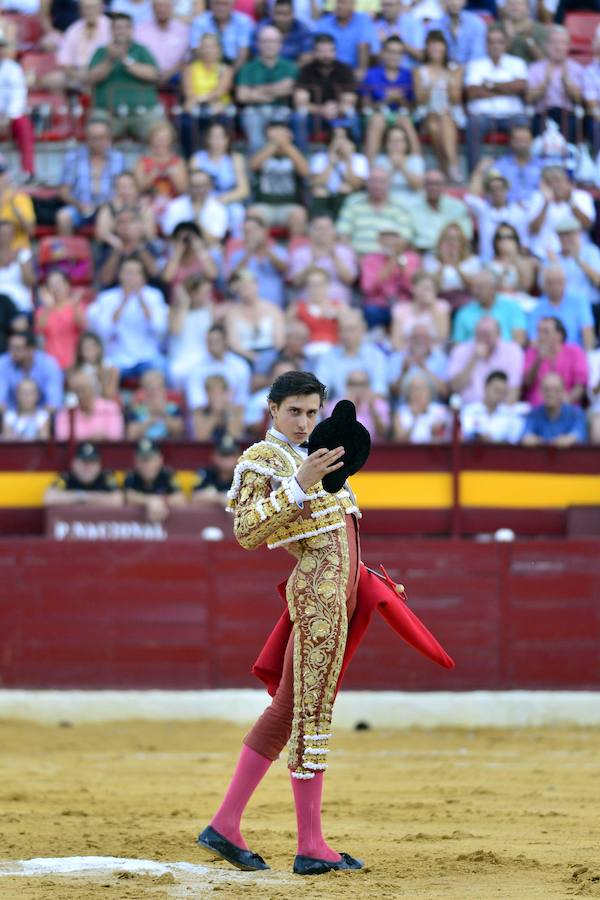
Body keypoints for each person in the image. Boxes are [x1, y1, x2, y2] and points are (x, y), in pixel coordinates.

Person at [195, 371, 366, 875]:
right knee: (311, 715)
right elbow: (246, 530)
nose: (304, 422)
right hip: (316, 597)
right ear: (272, 409)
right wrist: (298, 483)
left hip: (335, 598)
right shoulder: (263, 459)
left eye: (313, 412)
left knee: (287, 710)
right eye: (294, 411)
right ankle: (311, 844)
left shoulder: (320, 454)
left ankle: (224, 825)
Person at [87, 12, 164, 141]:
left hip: (144, 113)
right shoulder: (102, 51)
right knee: (97, 134)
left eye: (125, 27)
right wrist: (109, 61)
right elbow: (90, 78)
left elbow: (154, 74)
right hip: (108, 114)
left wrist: (125, 60)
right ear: (111, 30)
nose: (121, 31)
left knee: (161, 134)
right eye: (117, 28)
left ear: (131, 30)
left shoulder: (141, 50)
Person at [86, 257, 169, 378]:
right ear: (120, 275)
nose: (132, 277)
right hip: (118, 357)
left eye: (137, 273)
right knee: (104, 371)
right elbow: (103, 332)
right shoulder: (107, 298)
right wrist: (123, 301)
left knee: (163, 367)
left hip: (148, 356)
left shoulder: (154, 296)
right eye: (128, 273)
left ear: (143, 277)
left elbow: (159, 329)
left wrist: (142, 301)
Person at [464, 25, 528, 172]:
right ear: (486, 45)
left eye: (499, 42)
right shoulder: (476, 65)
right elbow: (472, 92)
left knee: (522, 124)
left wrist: (489, 85)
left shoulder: (517, 63)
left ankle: (514, 171)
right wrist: (506, 89)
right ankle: (474, 173)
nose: (495, 46)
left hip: (512, 115)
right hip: (482, 115)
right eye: (491, 42)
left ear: (506, 44)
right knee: (473, 124)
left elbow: (520, 87)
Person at [291, 33, 359, 155]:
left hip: (339, 115)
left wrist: (337, 109)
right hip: (314, 116)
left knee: (353, 117)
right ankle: (303, 160)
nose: (326, 55)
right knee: (298, 118)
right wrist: (321, 110)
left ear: (335, 51)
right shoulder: (306, 71)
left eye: (329, 51)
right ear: (314, 52)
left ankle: (357, 160)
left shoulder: (345, 70)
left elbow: (350, 99)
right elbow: (300, 101)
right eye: (322, 51)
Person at [56, 116, 125, 236]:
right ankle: (68, 254)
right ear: (87, 139)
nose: (99, 142)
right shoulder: (73, 158)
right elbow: (64, 191)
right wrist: (79, 204)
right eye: (95, 138)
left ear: (109, 139)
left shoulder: (118, 158)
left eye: (103, 137)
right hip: (80, 207)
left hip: (109, 208)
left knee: (122, 217)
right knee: (63, 217)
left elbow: (124, 188)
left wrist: (111, 205)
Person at [235, 25, 297, 155]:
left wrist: (257, 90)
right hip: (254, 111)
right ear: (258, 44)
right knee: (256, 140)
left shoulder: (290, 66)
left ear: (280, 44)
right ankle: (256, 172)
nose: (269, 45)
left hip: (282, 110)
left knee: (292, 127)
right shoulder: (248, 68)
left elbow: (291, 89)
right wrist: (278, 89)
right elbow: (242, 95)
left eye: (273, 41)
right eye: (265, 41)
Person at [413, 30, 463, 183]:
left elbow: (456, 99)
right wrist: (430, 86)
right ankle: (451, 167)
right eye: (432, 45)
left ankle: (447, 166)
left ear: (445, 48)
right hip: (426, 111)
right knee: (435, 119)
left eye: (438, 45)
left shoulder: (455, 69)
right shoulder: (419, 71)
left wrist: (449, 82)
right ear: (427, 48)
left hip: (449, 111)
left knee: (441, 119)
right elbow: (419, 100)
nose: (435, 49)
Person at [180, 33, 235, 158]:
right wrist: (201, 100)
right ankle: (190, 158)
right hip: (197, 106)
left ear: (218, 49)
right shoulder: (190, 69)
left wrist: (200, 98)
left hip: (219, 107)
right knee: (186, 123)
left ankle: (223, 157)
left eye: (211, 46)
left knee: (222, 121)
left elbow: (220, 91)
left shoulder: (225, 69)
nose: (208, 50)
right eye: (204, 46)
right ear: (199, 49)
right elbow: (188, 91)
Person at [361, 36, 414, 164]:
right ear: (383, 53)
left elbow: (413, 108)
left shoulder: (409, 75)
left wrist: (400, 100)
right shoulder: (371, 74)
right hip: (376, 116)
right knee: (377, 119)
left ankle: (416, 167)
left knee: (405, 121)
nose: (394, 56)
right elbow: (365, 107)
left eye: (398, 53)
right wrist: (386, 100)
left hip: (401, 116)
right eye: (391, 52)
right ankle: (370, 169)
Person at [447, 314, 524, 403]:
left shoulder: (513, 351)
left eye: (487, 335)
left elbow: (513, 390)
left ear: (498, 334)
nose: (483, 339)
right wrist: (474, 359)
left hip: (500, 410)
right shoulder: (460, 350)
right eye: (479, 334)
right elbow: (454, 387)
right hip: (467, 409)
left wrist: (502, 412)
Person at [248, 120, 309, 231]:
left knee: (299, 214)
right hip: (264, 206)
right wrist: (274, 144)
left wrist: (286, 145)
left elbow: (305, 171)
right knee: (253, 213)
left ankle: (296, 247)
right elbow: (253, 166)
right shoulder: (263, 153)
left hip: (289, 206)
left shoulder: (293, 153)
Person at [336, 168, 412, 256]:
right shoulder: (353, 203)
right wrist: (353, 257)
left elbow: (405, 239)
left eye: (381, 181)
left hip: (389, 259)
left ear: (389, 184)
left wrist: (381, 260)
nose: (377, 185)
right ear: (367, 183)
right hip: (357, 257)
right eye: (373, 181)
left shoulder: (399, 207)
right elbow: (343, 235)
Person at [315, 308, 388, 398]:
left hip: (368, 407)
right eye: (342, 329)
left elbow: (379, 390)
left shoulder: (375, 355)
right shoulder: (329, 356)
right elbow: (321, 389)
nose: (346, 334)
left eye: (351, 329)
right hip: (338, 407)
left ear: (363, 329)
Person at [527, 25, 584, 142]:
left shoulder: (577, 69)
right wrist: (545, 83)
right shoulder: (535, 68)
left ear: (568, 46)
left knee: (572, 122)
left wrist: (567, 83)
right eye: (554, 43)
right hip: (543, 113)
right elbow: (529, 98)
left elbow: (579, 100)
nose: (558, 47)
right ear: (547, 46)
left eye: (562, 43)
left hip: (567, 114)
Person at [190, 122, 249, 234]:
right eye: (213, 137)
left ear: (227, 139)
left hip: (228, 201)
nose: (217, 141)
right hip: (201, 200)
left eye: (221, 137)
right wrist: (209, 202)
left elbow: (243, 190)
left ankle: (234, 244)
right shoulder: (197, 158)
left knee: (237, 212)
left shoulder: (235, 158)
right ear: (207, 139)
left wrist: (220, 200)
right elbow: (193, 185)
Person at [224, 268, 286, 373]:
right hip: (243, 357)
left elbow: (280, 340)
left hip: (270, 354)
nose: (245, 290)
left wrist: (269, 357)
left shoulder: (272, 309)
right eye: (242, 287)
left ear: (256, 285)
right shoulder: (232, 313)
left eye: (248, 285)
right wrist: (252, 357)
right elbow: (232, 342)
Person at [465, 162, 529, 263]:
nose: (497, 192)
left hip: (512, 261)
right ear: (487, 193)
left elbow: (524, 242)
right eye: (492, 189)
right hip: (487, 261)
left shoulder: (517, 212)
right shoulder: (483, 210)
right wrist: (479, 171)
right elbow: (469, 198)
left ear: (507, 190)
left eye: (500, 188)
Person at [527, 166, 595, 260]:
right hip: (543, 254)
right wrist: (546, 203)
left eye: (558, 180)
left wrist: (570, 201)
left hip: (577, 253)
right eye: (549, 182)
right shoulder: (537, 197)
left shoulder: (581, 196)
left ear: (568, 182)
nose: (555, 185)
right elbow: (533, 230)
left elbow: (587, 225)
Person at [360, 224, 421, 328]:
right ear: (379, 240)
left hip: (404, 304)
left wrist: (401, 264)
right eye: (385, 237)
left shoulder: (412, 258)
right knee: (370, 312)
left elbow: (413, 288)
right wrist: (393, 259)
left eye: (393, 237)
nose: (389, 241)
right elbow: (368, 288)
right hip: (379, 305)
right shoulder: (370, 259)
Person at [287, 215, 357, 305]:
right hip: (307, 305)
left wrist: (334, 257)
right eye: (319, 228)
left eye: (327, 228)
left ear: (334, 231)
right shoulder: (300, 253)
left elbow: (350, 279)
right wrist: (312, 261)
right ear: (310, 232)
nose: (324, 232)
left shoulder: (345, 251)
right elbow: (296, 282)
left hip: (339, 305)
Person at [401, 168, 472, 253]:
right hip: (423, 253)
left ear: (444, 186)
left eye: (437, 184)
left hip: (453, 253)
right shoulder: (411, 207)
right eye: (430, 184)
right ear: (424, 186)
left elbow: (466, 235)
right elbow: (406, 236)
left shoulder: (458, 207)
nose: (433, 187)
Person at [185, 322, 252, 411]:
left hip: (233, 413)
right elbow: (197, 403)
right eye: (209, 342)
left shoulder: (240, 366)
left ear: (225, 341)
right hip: (207, 414)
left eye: (216, 342)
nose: (212, 347)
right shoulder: (197, 369)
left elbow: (241, 400)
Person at [551, 215, 600, 335]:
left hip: (590, 306)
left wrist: (578, 261)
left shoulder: (591, 252)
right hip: (560, 307)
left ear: (579, 234)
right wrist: (554, 265)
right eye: (563, 235)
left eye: (570, 234)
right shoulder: (553, 257)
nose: (566, 238)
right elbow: (545, 288)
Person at [523, 315, 588, 406]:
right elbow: (526, 384)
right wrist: (538, 360)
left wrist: (567, 401)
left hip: (567, 407)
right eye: (539, 331)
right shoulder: (531, 352)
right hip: (537, 407)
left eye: (546, 332)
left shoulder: (575, 352)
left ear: (559, 335)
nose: (540, 336)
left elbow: (580, 385)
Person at [226, 213, 288, 308]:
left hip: (273, 308)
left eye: (254, 230)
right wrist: (249, 253)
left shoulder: (278, 251)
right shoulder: (237, 256)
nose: (251, 235)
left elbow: (284, 269)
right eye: (246, 232)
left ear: (264, 231)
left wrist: (265, 249)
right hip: (245, 308)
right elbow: (232, 279)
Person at [528, 264, 595, 351]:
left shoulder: (579, 302)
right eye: (550, 282)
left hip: (575, 354)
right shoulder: (537, 309)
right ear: (544, 285)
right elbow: (533, 341)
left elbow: (588, 333)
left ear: (565, 282)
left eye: (558, 282)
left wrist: (586, 356)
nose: (555, 286)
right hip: (547, 356)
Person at [452, 269, 527, 345]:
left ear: (493, 288)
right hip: (474, 355)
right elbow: (457, 346)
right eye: (473, 287)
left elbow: (519, 341)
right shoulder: (464, 312)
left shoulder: (512, 308)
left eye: (480, 287)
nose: (475, 291)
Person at [96, 207, 163, 291]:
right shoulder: (108, 247)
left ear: (140, 225)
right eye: (121, 222)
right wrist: (117, 251)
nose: (126, 226)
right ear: (115, 227)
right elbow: (105, 280)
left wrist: (138, 245)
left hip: (146, 294)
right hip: (116, 295)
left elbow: (156, 273)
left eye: (131, 221)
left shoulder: (149, 245)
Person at [308, 125, 368, 217]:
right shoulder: (320, 158)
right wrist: (330, 163)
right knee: (319, 191)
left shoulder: (359, 159)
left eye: (343, 138)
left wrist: (348, 161)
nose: (339, 142)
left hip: (347, 197)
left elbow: (357, 185)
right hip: (327, 197)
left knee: (345, 188)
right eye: (335, 137)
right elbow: (316, 183)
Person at [133, 120, 188, 219]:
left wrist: (173, 176)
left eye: (165, 139)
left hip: (174, 204)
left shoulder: (178, 161)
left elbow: (183, 190)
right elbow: (138, 188)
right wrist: (151, 176)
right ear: (151, 140)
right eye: (158, 139)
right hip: (149, 203)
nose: (161, 142)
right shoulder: (142, 161)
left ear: (171, 141)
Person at [55, 0, 112, 94]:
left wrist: (93, 74)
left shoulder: (111, 27)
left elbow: (113, 58)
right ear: (80, 10)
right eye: (86, 8)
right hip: (78, 73)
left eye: (93, 7)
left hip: (103, 72)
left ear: (101, 8)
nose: (90, 11)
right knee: (55, 79)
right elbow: (64, 62)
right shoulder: (73, 29)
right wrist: (77, 76)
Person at [0, 329, 63, 412]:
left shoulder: (48, 365)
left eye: (17, 348)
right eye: (10, 348)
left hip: (43, 416)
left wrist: (36, 419)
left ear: (31, 349)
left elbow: (54, 402)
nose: (12, 352)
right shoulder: (3, 363)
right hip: (11, 415)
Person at [0, 28, 34, 180]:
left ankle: (27, 170)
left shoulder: (13, 69)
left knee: (23, 123)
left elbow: (18, 96)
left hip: (9, 117)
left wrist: (8, 117)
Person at [44, 441, 123, 506]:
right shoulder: (66, 478)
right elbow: (49, 498)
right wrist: (82, 496)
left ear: (99, 465)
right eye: (83, 462)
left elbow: (118, 499)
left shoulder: (106, 477)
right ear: (74, 464)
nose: (87, 467)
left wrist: (84, 497)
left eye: (91, 462)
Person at [124, 437, 186, 521]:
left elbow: (180, 498)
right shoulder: (131, 476)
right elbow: (128, 496)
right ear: (136, 462)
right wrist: (150, 501)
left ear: (160, 460)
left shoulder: (167, 475)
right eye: (143, 460)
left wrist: (161, 501)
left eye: (151, 459)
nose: (147, 465)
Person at [161, 167, 228, 244]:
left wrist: (197, 222)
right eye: (195, 186)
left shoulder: (218, 208)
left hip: (207, 251)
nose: (200, 190)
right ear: (189, 187)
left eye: (203, 186)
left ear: (210, 186)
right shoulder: (175, 205)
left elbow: (215, 240)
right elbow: (168, 234)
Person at [55, 367, 124, 441]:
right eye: (74, 390)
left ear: (93, 390)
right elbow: (62, 437)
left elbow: (116, 436)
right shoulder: (65, 412)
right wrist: (92, 438)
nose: (79, 394)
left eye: (82, 390)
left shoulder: (110, 407)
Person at [286, 266, 343, 357]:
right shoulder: (297, 308)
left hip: (333, 353)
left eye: (320, 284)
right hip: (304, 354)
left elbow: (352, 328)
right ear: (306, 287)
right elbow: (286, 331)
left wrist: (339, 316)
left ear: (327, 285)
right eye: (312, 285)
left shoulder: (339, 307)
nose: (316, 288)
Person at [34, 270, 85, 370]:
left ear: (67, 285)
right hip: (50, 363)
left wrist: (75, 306)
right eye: (51, 284)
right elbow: (39, 331)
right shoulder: (42, 310)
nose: (56, 287)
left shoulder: (77, 305)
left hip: (74, 362)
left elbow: (82, 326)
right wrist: (47, 309)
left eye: (59, 283)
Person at [521, 372, 588, 445]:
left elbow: (579, 434)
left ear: (563, 391)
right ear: (540, 392)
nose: (551, 394)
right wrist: (533, 439)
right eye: (546, 389)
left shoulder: (576, 414)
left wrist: (570, 439)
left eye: (556, 390)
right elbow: (526, 436)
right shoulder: (533, 414)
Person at [388, 321, 448, 401]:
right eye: (416, 337)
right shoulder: (397, 358)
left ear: (431, 340)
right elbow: (394, 393)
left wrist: (424, 369)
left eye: (424, 337)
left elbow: (445, 392)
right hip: (404, 408)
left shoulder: (440, 358)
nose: (420, 341)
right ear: (409, 339)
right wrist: (404, 371)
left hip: (434, 408)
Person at [324, 369, 391, 441]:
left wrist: (372, 409)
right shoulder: (334, 405)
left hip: (374, 449)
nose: (358, 388)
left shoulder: (379, 404)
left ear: (368, 385)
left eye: (362, 384)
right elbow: (332, 434)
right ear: (347, 385)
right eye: (354, 384)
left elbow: (384, 433)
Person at [95, 170, 157, 247]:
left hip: (140, 248)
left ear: (136, 189)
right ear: (116, 189)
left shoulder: (144, 208)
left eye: (130, 186)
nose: (126, 191)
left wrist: (139, 222)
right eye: (122, 187)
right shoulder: (107, 208)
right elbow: (101, 235)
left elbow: (151, 236)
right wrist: (117, 213)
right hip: (113, 249)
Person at [317, 0, 379, 77]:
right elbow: (316, 50)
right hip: (329, 70)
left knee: (363, 45)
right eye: (338, 2)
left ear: (353, 4)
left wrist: (361, 70)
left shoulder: (363, 21)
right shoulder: (324, 23)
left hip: (354, 71)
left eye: (343, 2)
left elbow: (374, 50)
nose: (339, 6)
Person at [460, 369, 525, 442]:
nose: (499, 395)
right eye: (496, 390)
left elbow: (514, 442)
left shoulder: (509, 415)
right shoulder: (468, 411)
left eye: (503, 392)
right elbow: (463, 435)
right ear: (486, 387)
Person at [189, 0, 254, 73]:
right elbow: (195, 51)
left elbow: (243, 54)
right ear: (210, 4)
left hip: (235, 66)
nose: (221, 7)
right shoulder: (200, 22)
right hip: (207, 68)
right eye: (217, 3)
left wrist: (229, 76)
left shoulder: (243, 21)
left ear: (233, 4)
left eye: (225, 4)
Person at [422, 221, 481, 300]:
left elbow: (474, 288)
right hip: (438, 300)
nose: (451, 243)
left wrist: (457, 267)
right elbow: (431, 289)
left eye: (456, 239)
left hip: (465, 301)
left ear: (462, 243)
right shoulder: (430, 260)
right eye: (447, 238)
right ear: (440, 242)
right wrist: (443, 264)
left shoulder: (473, 261)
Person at [134, 0, 189, 84]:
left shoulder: (183, 30)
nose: (162, 9)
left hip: (176, 82)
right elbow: (137, 57)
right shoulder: (140, 30)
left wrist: (168, 74)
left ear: (172, 8)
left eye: (166, 6)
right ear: (152, 8)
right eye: (159, 6)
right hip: (146, 80)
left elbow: (185, 59)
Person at [391, 271, 450, 350]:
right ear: (413, 288)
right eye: (424, 288)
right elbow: (396, 341)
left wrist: (431, 307)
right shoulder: (401, 309)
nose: (426, 292)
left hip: (433, 354)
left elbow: (442, 336)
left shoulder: (441, 307)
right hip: (406, 353)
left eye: (430, 289)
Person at [126, 368, 185, 440]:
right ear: (144, 390)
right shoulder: (137, 410)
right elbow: (131, 435)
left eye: (158, 387)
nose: (154, 391)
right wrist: (150, 420)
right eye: (150, 387)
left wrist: (163, 413)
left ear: (164, 389)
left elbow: (179, 432)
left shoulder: (173, 408)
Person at [161, 221, 219, 291]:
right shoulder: (171, 259)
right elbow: (166, 278)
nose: (187, 242)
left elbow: (212, 275)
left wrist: (199, 249)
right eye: (183, 239)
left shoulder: (203, 257)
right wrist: (178, 252)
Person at [392, 372, 451, 442]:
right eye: (414, 389)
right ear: (407, 393)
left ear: (430, 392)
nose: (418, 393)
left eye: (422, 388)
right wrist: (415, 419)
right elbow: (399, 441)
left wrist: (436, 433)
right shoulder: (400, 413)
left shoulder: (440, 411)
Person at [494, 123, 544, 206]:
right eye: (518, 140)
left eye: (525, 140)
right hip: (508, 208)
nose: (522, 144)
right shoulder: (500, 166)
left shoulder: (542, 166)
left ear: (532, 142)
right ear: (511, 142)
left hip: (536, 208)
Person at [254, 0, 313, 65]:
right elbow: (256, 55)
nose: (281, 18)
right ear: (272, 13)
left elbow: (306, 57)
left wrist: (288, 71)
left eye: (286, 14)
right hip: (264, 69)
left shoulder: (303, 30)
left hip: (294, 72)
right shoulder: (262, 27)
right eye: (278, 13)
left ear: (293, 14)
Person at [429, 0, 486, 66]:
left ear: (465, 1)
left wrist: (460, 71)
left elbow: (478, 57)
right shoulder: (434, 26)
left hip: (471, 70)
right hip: (443, 70)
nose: (454, 2)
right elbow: (432, 56)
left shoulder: (477, 24)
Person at [374, 122, 424, 196]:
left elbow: (418, 186)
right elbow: (376, 188)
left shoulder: (415, 160)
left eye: (400, 140)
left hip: (412, 201)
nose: (396, 144)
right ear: (386, 144)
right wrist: (392, 168)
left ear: (406, 143)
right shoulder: (379, 160)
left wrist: (403, 168)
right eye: (392, 140)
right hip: (386, 202)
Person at [190, 373, 244, 441]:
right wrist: (215, 413)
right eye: (212, 392)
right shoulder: (199, 411)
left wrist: (227, 411)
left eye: (219, 392)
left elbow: (235, 434)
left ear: (226, 392)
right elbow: (201, 437)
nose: (216, 396)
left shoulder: (238, 410)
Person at [373, 0, 425, 72]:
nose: (386, 9)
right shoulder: (376, 25)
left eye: (390, 5)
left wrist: (395, 41)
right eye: (383, 5)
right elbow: (374, 58)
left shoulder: (413, 23)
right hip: (383, 74)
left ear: (399, 6)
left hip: (410, 73)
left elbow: (421, 56)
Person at [489, 223, 538, 295]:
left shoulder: (523, 261)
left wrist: (513, 256)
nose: (504, 240)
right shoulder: (489, 263)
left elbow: (526, 286)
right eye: (500, 237)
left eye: (509, 237)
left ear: (516, 240)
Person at [191, 434, 239, 506]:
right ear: (214, 456)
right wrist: (221, 498)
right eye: (223, 455)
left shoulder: (243, 477)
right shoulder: (205, 473)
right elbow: (194, 497)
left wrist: (213, 497)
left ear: (238, 456)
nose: (226, 460)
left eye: (230, 455)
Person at [0, 219, 35, 315]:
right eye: (2, 233)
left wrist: (20, 260)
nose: (5, 237)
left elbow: (30, 282)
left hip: (19, 304)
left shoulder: (23, 253)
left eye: (9, 233)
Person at [72, 331, 120, 401]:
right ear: (80, 351)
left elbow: (108, 396)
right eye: (86, 347)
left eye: (93, 346)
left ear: (99, 348)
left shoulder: (112, 369)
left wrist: (101, 379)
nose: (90, 351)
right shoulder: (76, 371)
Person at [0, 157, 35, 251]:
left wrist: (17, 210)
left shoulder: (20, 198)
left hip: (18, 249)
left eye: (1, 174)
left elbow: (31, 231)